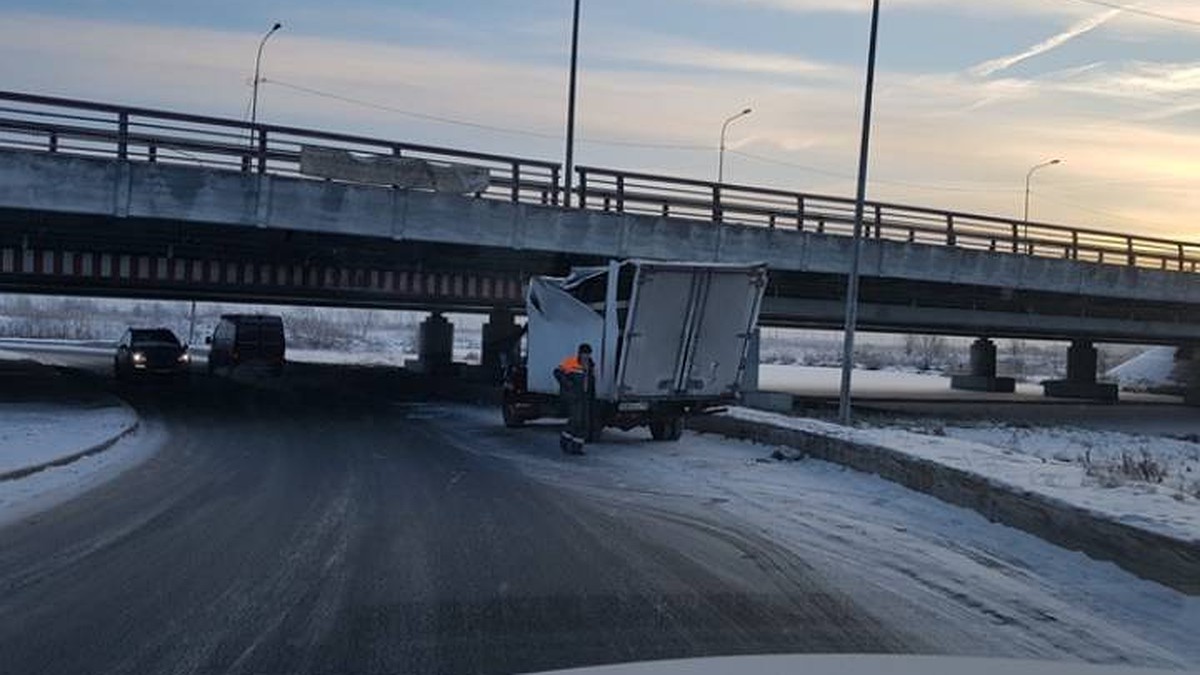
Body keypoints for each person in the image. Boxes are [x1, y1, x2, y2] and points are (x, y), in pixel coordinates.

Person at [554, 342, 594, 455]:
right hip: (574, 396)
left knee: (584, 422)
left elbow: (590, 381)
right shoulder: (571, 362)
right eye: (584, 354)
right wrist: (568, 384)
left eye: (588, 354)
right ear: (580, 353)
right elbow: (557, 372)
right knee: (576, 420)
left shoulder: (590, 365)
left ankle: (577, 447)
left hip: (585, 396)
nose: (586, 356)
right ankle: (565, 440)